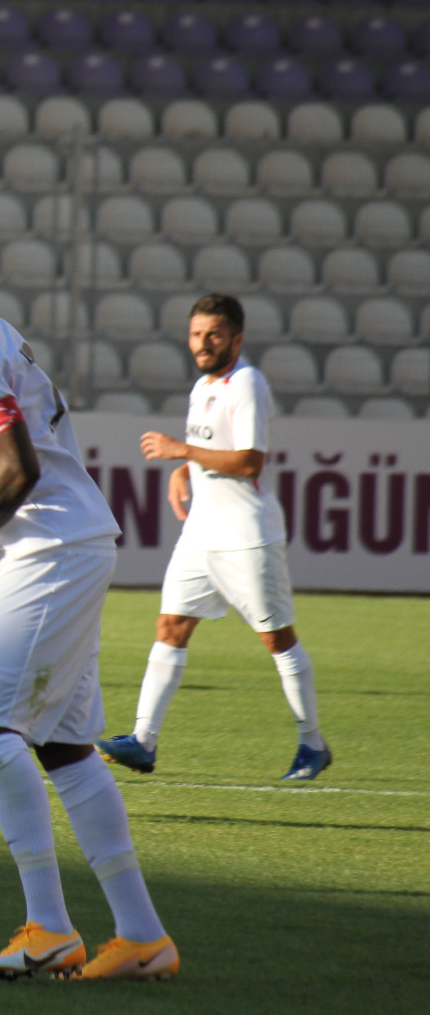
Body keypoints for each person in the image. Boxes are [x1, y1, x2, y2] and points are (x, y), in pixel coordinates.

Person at [0, 215, 177, 981]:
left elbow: (17, 470)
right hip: (63, 545)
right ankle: (142, 936)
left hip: (44, 552)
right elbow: (19, 461)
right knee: (64, 749)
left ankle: (48, 926)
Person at [97, 294, 330, 782]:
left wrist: (181, 450)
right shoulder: (203, 386)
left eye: (214, 335)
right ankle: (143, 741)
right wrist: (184, 468)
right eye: (196, 334)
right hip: (202, 533)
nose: (202, 343)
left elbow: (248, 461)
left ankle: (312, 745)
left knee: (276, 638)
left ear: (236, 339)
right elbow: (213, 449)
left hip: (247, 536)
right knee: (170, 627)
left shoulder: (247, 383)